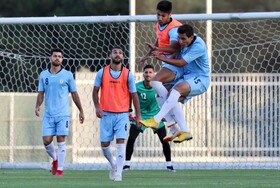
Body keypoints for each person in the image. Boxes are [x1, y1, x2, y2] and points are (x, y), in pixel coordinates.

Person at [140, 24, 210, 143]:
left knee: (176, 90)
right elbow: (175, 50)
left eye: (183, 39)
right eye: (179, 38)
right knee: (161, 95)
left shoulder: (198, 45)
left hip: (200, 78)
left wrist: (161, 58)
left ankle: (156, 120)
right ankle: (180, 130)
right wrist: (157, 51)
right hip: (186, 76)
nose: (180, 41)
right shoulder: (184, 40)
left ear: (191, 37)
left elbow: (181, 62)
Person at [139, 0, 188, 140]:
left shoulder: (174, 29)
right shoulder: (158, 24)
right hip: (166, 63)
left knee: (154, 82)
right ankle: (176, 129)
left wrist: (158, 51)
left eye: (163, 16)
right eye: (158, 15)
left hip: (176, 63)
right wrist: (147, 55)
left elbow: (174, 47)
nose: (160, 18)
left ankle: (159, 121)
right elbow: (159, 41)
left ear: (170, 15)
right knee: (162, 97)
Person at [92, 46, 141, 182]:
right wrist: (97, 107)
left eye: (120, 53)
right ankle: (113, 165)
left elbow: (134, 95)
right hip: (106, 114)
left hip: (122, 114)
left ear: (123, 57)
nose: (117, 54)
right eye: (115, 52)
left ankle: (119, 174)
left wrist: (138, 115)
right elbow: (95, 91)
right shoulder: (102, 72)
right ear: (110, 56)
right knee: (104, 145)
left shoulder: (127, 74)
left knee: (120, 142)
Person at [35, 48, 85, 177]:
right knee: (46, 141)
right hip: (48, 114)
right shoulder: (43, 75)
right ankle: (55, 160)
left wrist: (81, 110)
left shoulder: (68, 75)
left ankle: (60, 170)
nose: (57, 58)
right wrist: (37, 106)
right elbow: (41, 93)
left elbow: (74, 94)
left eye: (60, 56)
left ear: (62, 60)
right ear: (50, 58)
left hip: (63, 114)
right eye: (55, 56)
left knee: (61, 140)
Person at [123, 64, 176, 172]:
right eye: (146, 72)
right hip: (140, 116)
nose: (148, 74)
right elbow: (129, 97)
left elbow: (166, 100)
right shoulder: (136, 86)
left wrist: (166, 114)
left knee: (164, 140)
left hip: (156, 116)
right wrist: (129, 111)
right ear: (143, 74)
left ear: (154, 74)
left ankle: (169, 165)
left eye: (150, 72)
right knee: (131, 138)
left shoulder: (159, 87)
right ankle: (127, 164)